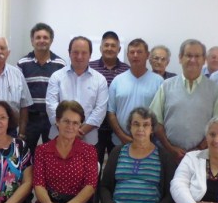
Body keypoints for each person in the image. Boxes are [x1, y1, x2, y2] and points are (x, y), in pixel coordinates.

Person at [150, 39, 218, 163]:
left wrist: (199, 148)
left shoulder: (213, 89)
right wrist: (170, 148)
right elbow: (156, 122)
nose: (193, 60)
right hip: (169, 155)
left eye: (197, 56)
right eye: (189, 55)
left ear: (204, 60)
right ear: (180, 58)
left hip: (202, 156)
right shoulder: (167, 85)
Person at [46, 36, 108, 145]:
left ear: (90, 55)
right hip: (58, 139)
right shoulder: (56, 77)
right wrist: (67, 129)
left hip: (88, 140)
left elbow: (100, 110)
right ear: (69, 53)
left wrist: (79, 131)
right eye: (75, 52)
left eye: (84, 53)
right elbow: (51, 106)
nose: (79, 56)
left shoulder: (100, 80)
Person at [17, 23, 66, 155]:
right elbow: (20, 95)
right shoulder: (22, 64)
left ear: (51, 40)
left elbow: (63, 94)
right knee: (26, 155)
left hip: (52, 119)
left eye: (45, 37)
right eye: (38, 37)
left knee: (52, 155)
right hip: (30, 119)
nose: (42, 40)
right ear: (32, 40)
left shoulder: (60, 64)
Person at [108, 38, 163, 145]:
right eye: (132, 52)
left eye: (139, 52)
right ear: (128, 55)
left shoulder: (158, 82)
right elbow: (111, 113)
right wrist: (122, 136)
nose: (135, 55)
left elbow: (161, 116)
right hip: (120, 142)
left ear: (147, 55)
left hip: (149, 143)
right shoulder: (117, 80)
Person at [89, 31, 130, 166]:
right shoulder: (89, 68)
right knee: (94, 165)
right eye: (106, 45)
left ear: (119, 49)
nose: (109, 48)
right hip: (94, 128)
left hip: (119, 129)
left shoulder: (127, 71)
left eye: (113, 46)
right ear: (100, 48)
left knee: (117, 166)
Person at [0, 35, 33, 136]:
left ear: (8, 53)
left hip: (10, 130)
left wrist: (21, 133)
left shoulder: (17, 74)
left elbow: (24, 106)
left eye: (2, 48)